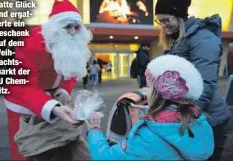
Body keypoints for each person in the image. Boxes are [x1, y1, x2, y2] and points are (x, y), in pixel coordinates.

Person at [4, 0, 93, 160]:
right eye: (67, 27)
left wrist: (63, 91)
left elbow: (70, 70)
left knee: (58, 149)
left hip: (53, 103)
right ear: (55, 27)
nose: (73, 32)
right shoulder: (31, 42)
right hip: (22, 107)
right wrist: (52, 107)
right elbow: (21, 85)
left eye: (77, 27)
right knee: (25, 151)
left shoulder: (75, 44)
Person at [85, 55, 214, 160]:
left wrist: (94, 132)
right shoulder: (201, 123)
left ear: (159, 94)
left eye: (148, 86)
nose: (144, 91)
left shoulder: (145, 137)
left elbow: (105, 157)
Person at [154, 0, 231, 160]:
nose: (163, 25)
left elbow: (205, 82)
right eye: (159, 21)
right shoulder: (178, 38)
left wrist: (190, 112)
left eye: (166, 20)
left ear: (180, 15)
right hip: (191, 117)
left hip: (209, 120)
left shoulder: (202, 38)